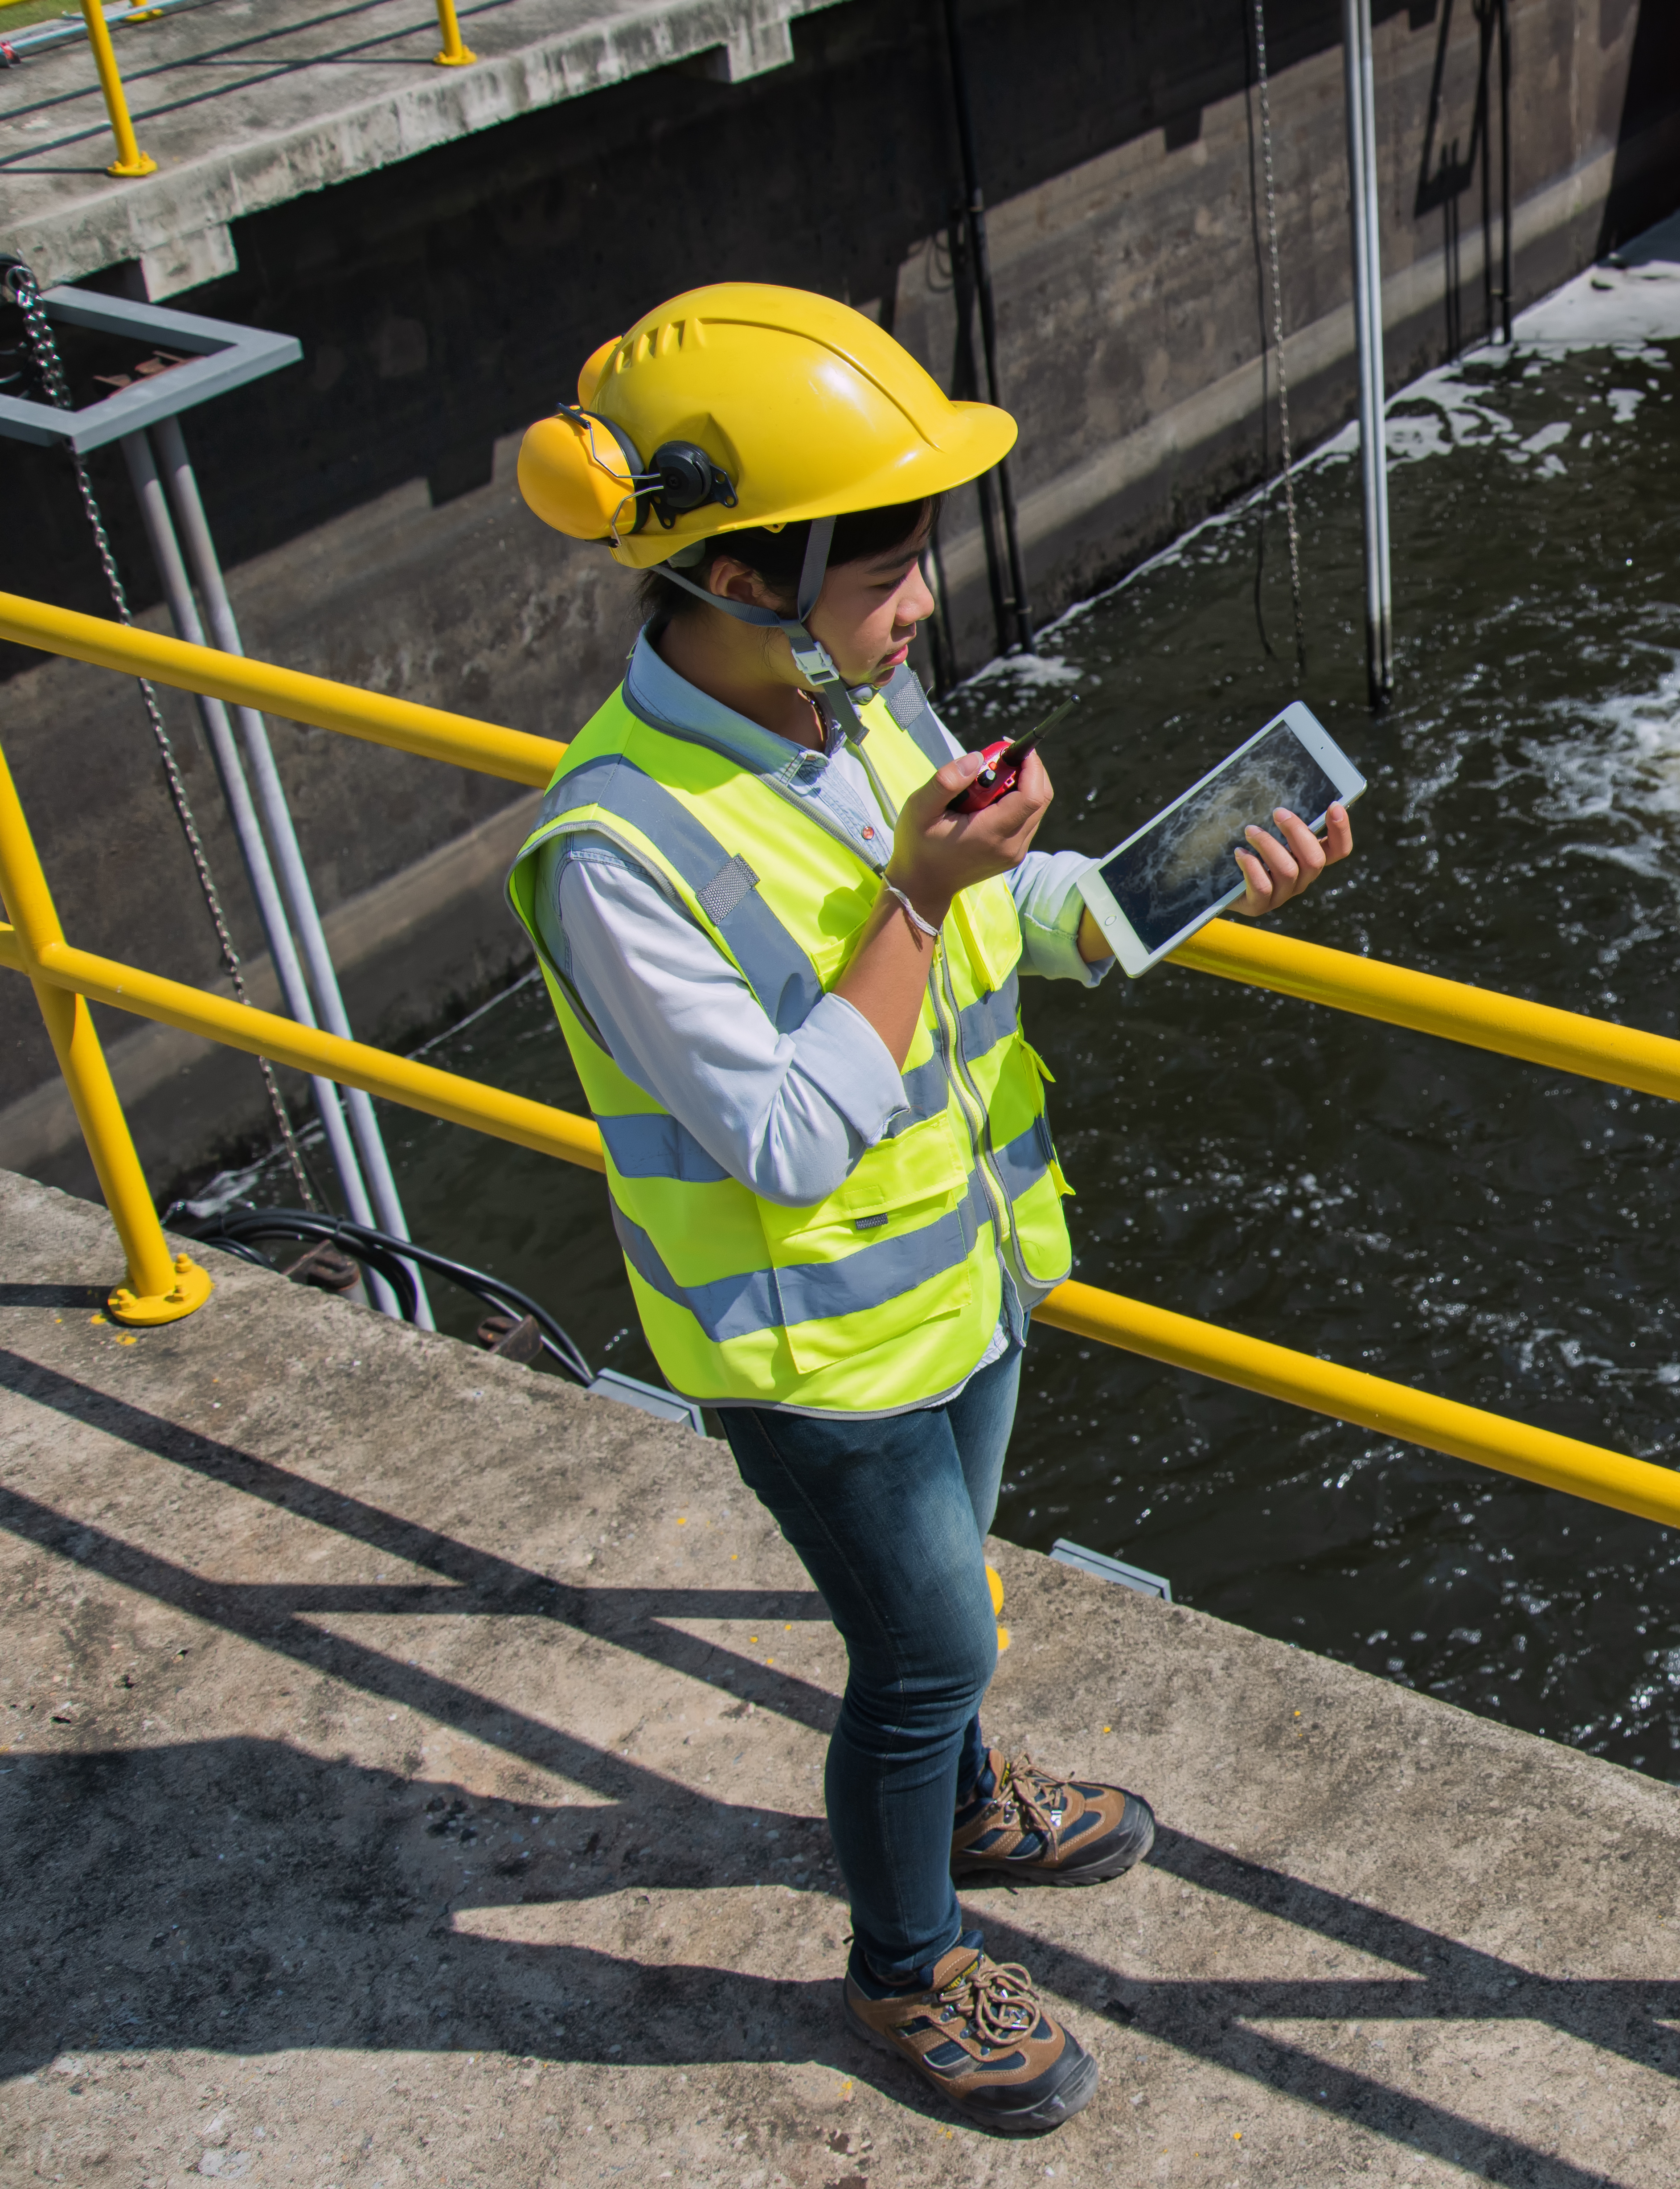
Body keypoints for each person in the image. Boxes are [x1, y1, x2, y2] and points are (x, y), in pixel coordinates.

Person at [504, 283, 1352, 2135]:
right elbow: (792, 1140)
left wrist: (1159, 892)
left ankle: (967, 1797)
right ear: (738, 580)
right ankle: (902, 1966)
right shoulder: (611, 854)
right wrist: (914, 888)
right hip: (817, 1356)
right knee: (925, 1652)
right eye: (883, 570)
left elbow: (1002, 909)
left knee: (948, 1606)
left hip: (966, 1283)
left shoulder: (857, 706)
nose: (920, 609)